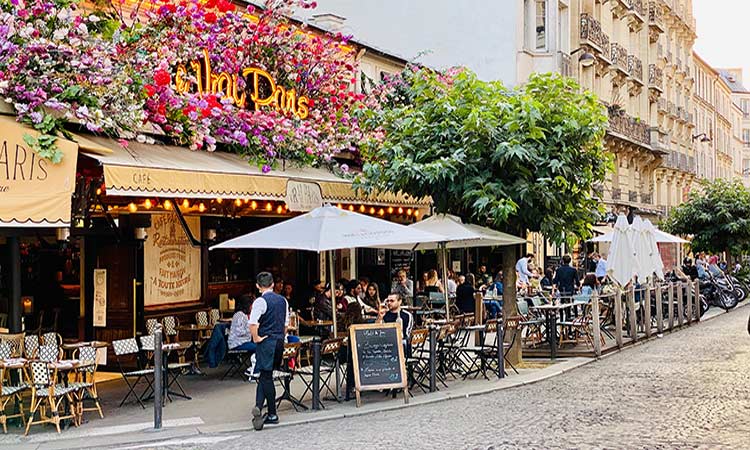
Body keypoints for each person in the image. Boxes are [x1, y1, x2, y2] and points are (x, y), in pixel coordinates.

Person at [249, 272, 289, 431]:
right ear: (272, 284)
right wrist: (282, 336)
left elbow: (252, 323)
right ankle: (258, 406)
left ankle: (272, 413)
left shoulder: (260, 301)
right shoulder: (283, 300)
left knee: (266, 377)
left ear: (258, 286)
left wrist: (256, 338)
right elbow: (286, 324)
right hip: (279, 341)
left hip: (266, 342)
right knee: (266, 375)